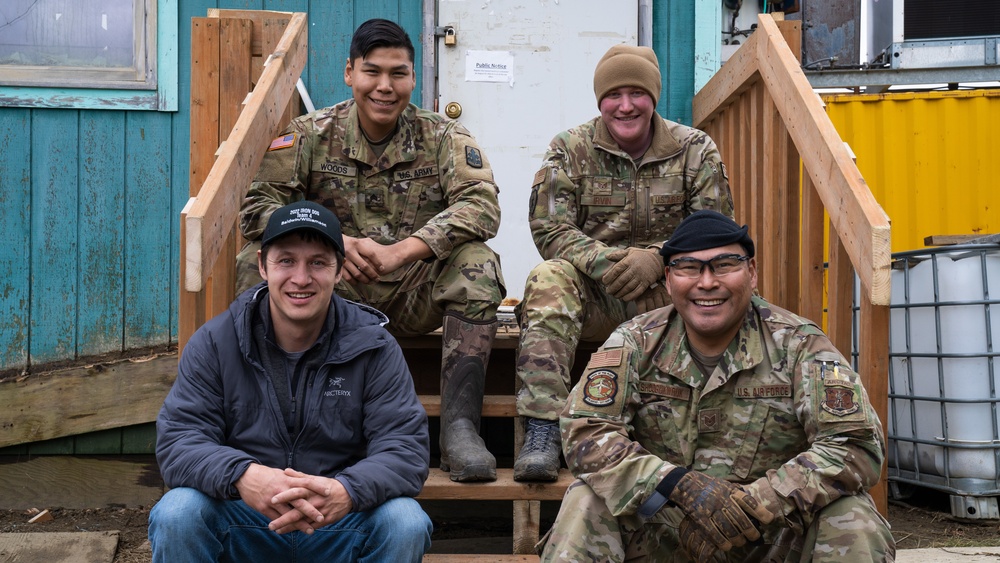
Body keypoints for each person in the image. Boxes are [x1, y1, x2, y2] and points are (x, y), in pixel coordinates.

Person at [540, 209, 895, 562]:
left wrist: (762, 502)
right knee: (585, 499)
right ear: (667, 278)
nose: (707, 282)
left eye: (725, 265)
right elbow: (586, 431)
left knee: (853, 516)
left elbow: (855, 443)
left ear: (751, 272)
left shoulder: (798, 344)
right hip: (664, 534)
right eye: (689, 267)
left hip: (771, 536)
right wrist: (676, 484)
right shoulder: (635, 342)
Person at [236, 19, 505, 482]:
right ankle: (268, 418)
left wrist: (402, 251)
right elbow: (257, 209)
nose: (385, 86)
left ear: (414, 78)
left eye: (398, 73)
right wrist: (332, 241)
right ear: (349, 72)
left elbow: (481, 206)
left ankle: (459, 430)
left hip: (415, 292)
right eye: (372, 71)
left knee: (477, 262)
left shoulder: (442, 136)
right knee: (251, 264)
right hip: (335, 295)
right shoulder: (310, 134)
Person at [149, 201, 432, 562]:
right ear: (263, 267)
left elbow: (404, 447)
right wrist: (243, 476)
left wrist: (346, 490)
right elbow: (179, 440)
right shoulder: (216, 343)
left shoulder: (373, 346)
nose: (301, 278)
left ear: (340, 270)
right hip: (246, 519)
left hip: (337, 524)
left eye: (317, 262)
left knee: (404, 520)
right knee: (177, 512)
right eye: (286, 261)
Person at [513, 44, 734, 481]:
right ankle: (541, 429)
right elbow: (548, 227)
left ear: (654, 97)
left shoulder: (695, 149)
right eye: (614, 94)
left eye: (638, 93)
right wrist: (607, 262)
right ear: (600, 100)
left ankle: (721, 432)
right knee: (548, 277)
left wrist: (657, 259)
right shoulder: (570, 148)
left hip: (666, 296)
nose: (626, 105)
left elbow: (715, 228)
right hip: (595, 296)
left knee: (729, 285)